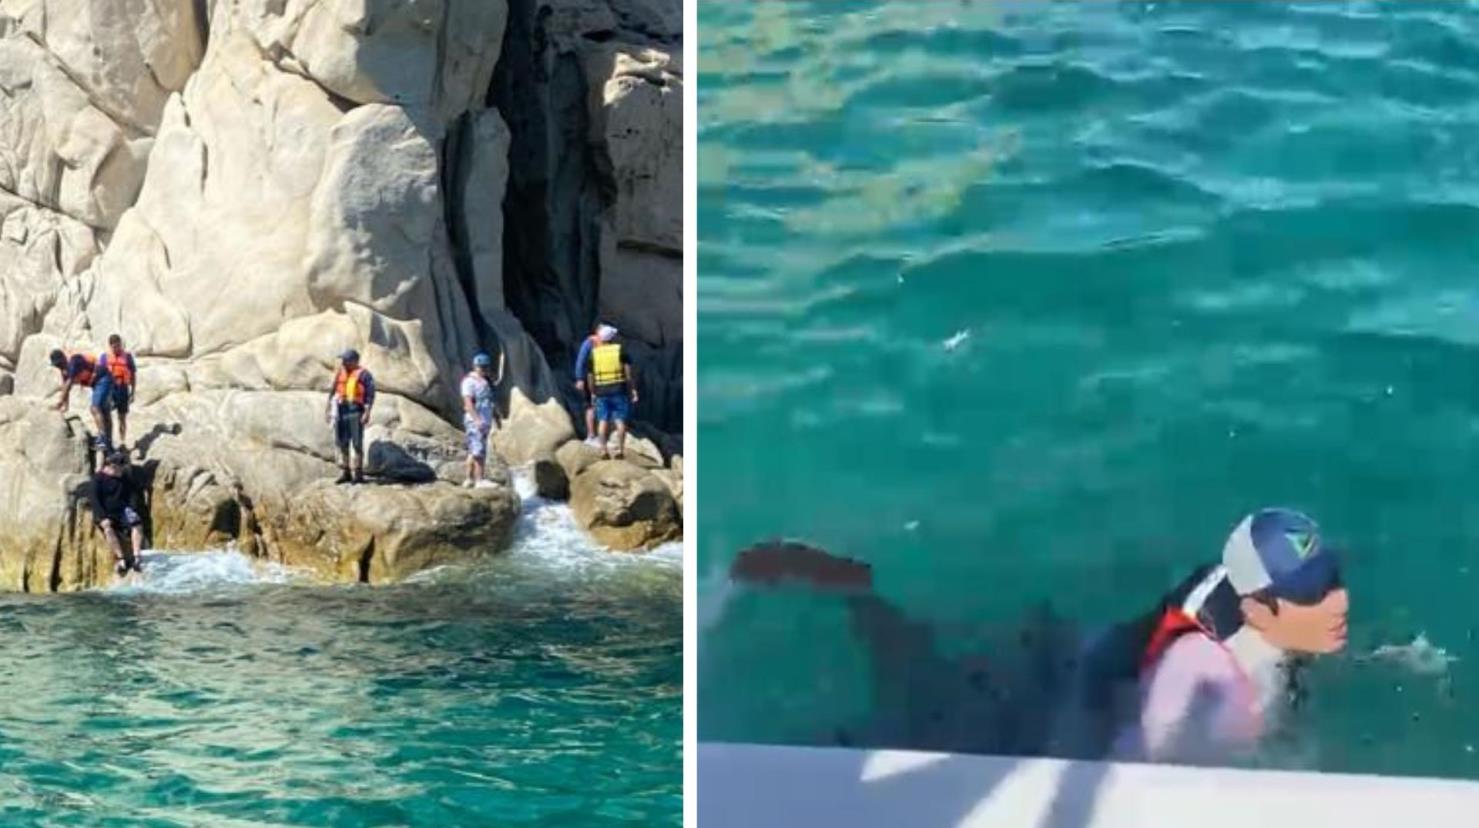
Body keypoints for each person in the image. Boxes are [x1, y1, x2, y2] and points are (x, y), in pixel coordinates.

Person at [1113, 507, 1347, 762]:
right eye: (1312, 595)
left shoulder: (1270, 618)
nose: (1341, 602)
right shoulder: (1197, 665)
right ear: (1256, 612)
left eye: (1333, 579)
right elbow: (1147, 760)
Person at [88, 450, 146, 577]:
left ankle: (137, 556)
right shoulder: (97, 480)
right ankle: (121, 559)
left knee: (137, 524)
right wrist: (102, 517)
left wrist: (132, 509)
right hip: (106, 514)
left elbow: (132, 495)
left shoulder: (124, 478)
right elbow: (95, 500)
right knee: (108, 529)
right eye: (121, 468)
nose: (122, 471)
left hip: (122, 511)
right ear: (112, 467)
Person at [586, 325, 638, 460]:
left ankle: (603, 451)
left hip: (601, 391)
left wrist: (592, 392)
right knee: (620, 421)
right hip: (618, 390)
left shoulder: (594, 353)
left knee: (602, 421)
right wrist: (632, 389)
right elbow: (628, 374)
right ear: (612, 338)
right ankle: (620, 451)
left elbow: (590, 377)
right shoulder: (620, 350)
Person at [326, 349, 375, 484]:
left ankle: (358, 474)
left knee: (357, 443)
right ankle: (346, 472)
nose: (344, 362)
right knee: (342, 442)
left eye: (346, 360)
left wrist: (367, 412)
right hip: (341, 410)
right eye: (343, 360)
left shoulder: (365, 375)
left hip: (355, 411)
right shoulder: (340, 372)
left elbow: (370, 395)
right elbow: (333, 390)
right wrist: (328, 408)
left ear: (354, 361)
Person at [461, 350, 504, 488]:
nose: (484, 369)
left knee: (474, 450)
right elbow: (468, 403)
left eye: (486, 367)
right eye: (481, 367)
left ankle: (468, 479)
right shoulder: (469, 382)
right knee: (479, 450)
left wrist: (496, 417)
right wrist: (477, 420)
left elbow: (490, 401)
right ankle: (480, 480)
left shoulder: (486, 382)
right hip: (475, 420)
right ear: (475, 366)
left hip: (485, 419)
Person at [49, 348, 110, 446]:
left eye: (59, 364)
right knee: (102, 412)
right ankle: (107, 443)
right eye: (57, 365)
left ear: (63, 359)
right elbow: (66, 387)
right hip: (95, 383)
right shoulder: (64, 370)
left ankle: (103, 438)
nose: (59, 367)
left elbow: (68, 384)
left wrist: (59, 403)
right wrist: (65, 407)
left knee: (95, 408)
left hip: (103, 378)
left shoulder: (74, 361)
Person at [574, 323, 615, 447]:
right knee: (591, 407)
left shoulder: (605, 344)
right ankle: (591, 436)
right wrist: (580, 378)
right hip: (589, 379)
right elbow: (580, 361)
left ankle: (603, 436)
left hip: (602, 379)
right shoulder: (589, 343)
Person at [96, 334, 138, 451]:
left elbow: (133, 375)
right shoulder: (104, 357)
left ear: (121, 344)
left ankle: (122, 441)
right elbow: (98, 375)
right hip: (109, 388)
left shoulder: (127, 357)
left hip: (122, 389)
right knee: (106, 415)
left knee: (122, 417)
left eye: (118, 346)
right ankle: (107, 440)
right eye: (114, 347)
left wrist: (133, 392)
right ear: (110, 346)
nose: (116, 349)